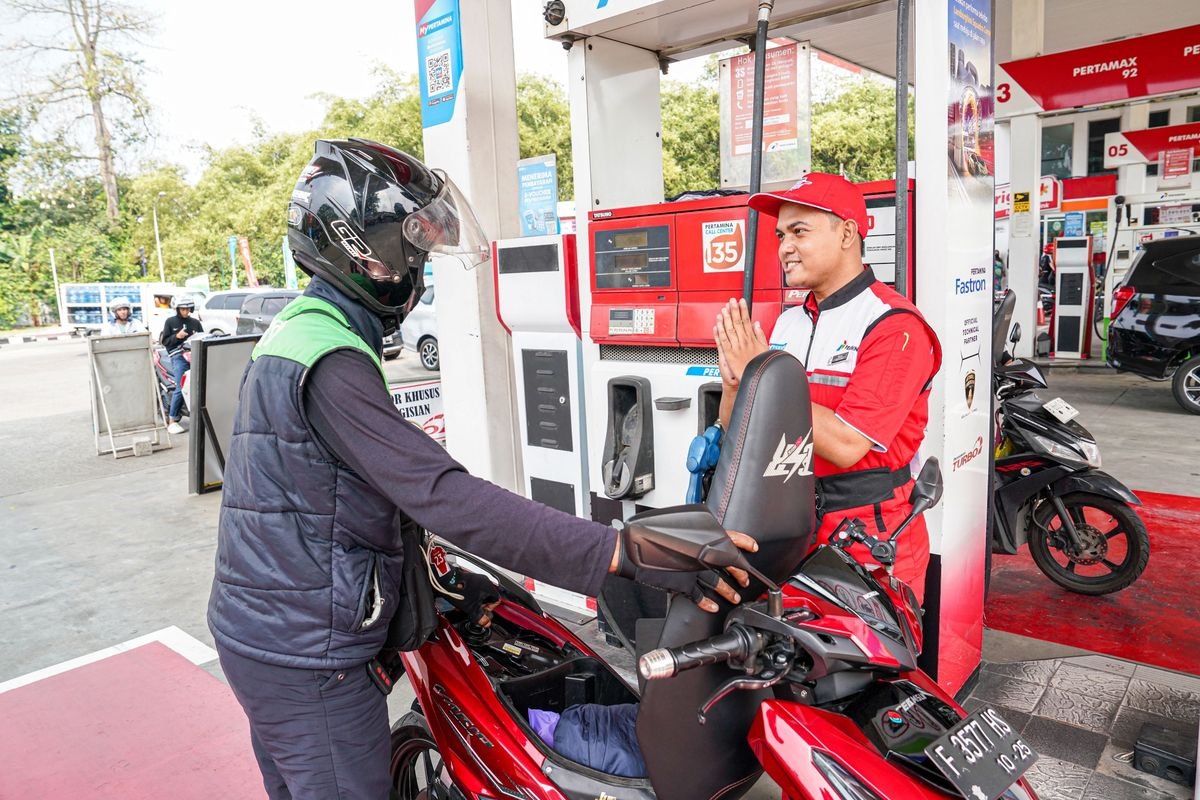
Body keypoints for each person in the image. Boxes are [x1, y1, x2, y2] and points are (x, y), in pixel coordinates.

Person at [207, 138, 756, 800]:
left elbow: (325, 498)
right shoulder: (331, 362)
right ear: (358, 249)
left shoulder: (309, 330)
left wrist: (440, 581)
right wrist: (624, 551)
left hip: (270, 628)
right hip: (306, 655)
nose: (417, 269)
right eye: (410, 250)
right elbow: (443, 495)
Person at [713, 172, 942, 603]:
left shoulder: (894, 326)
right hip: (788, 523)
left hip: (870, 538)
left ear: (847, 234)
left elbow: (847, 444)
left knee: (858, 650)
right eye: (781, 235)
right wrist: (735, 384)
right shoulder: (788, 322)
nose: (784, 247)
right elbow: (736, 431)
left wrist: (763, 375)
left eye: (799, 231)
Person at [159, 295, 202, 434]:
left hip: (195, 355)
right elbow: (165, 342)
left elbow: (203, 337)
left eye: (187, 309)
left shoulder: (195, 322)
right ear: (177, 309)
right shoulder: (170, 322)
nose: (185, 311)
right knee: (181, 386)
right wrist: (177, 336)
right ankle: (172, 419)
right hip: (177, 356)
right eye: (182, 309)